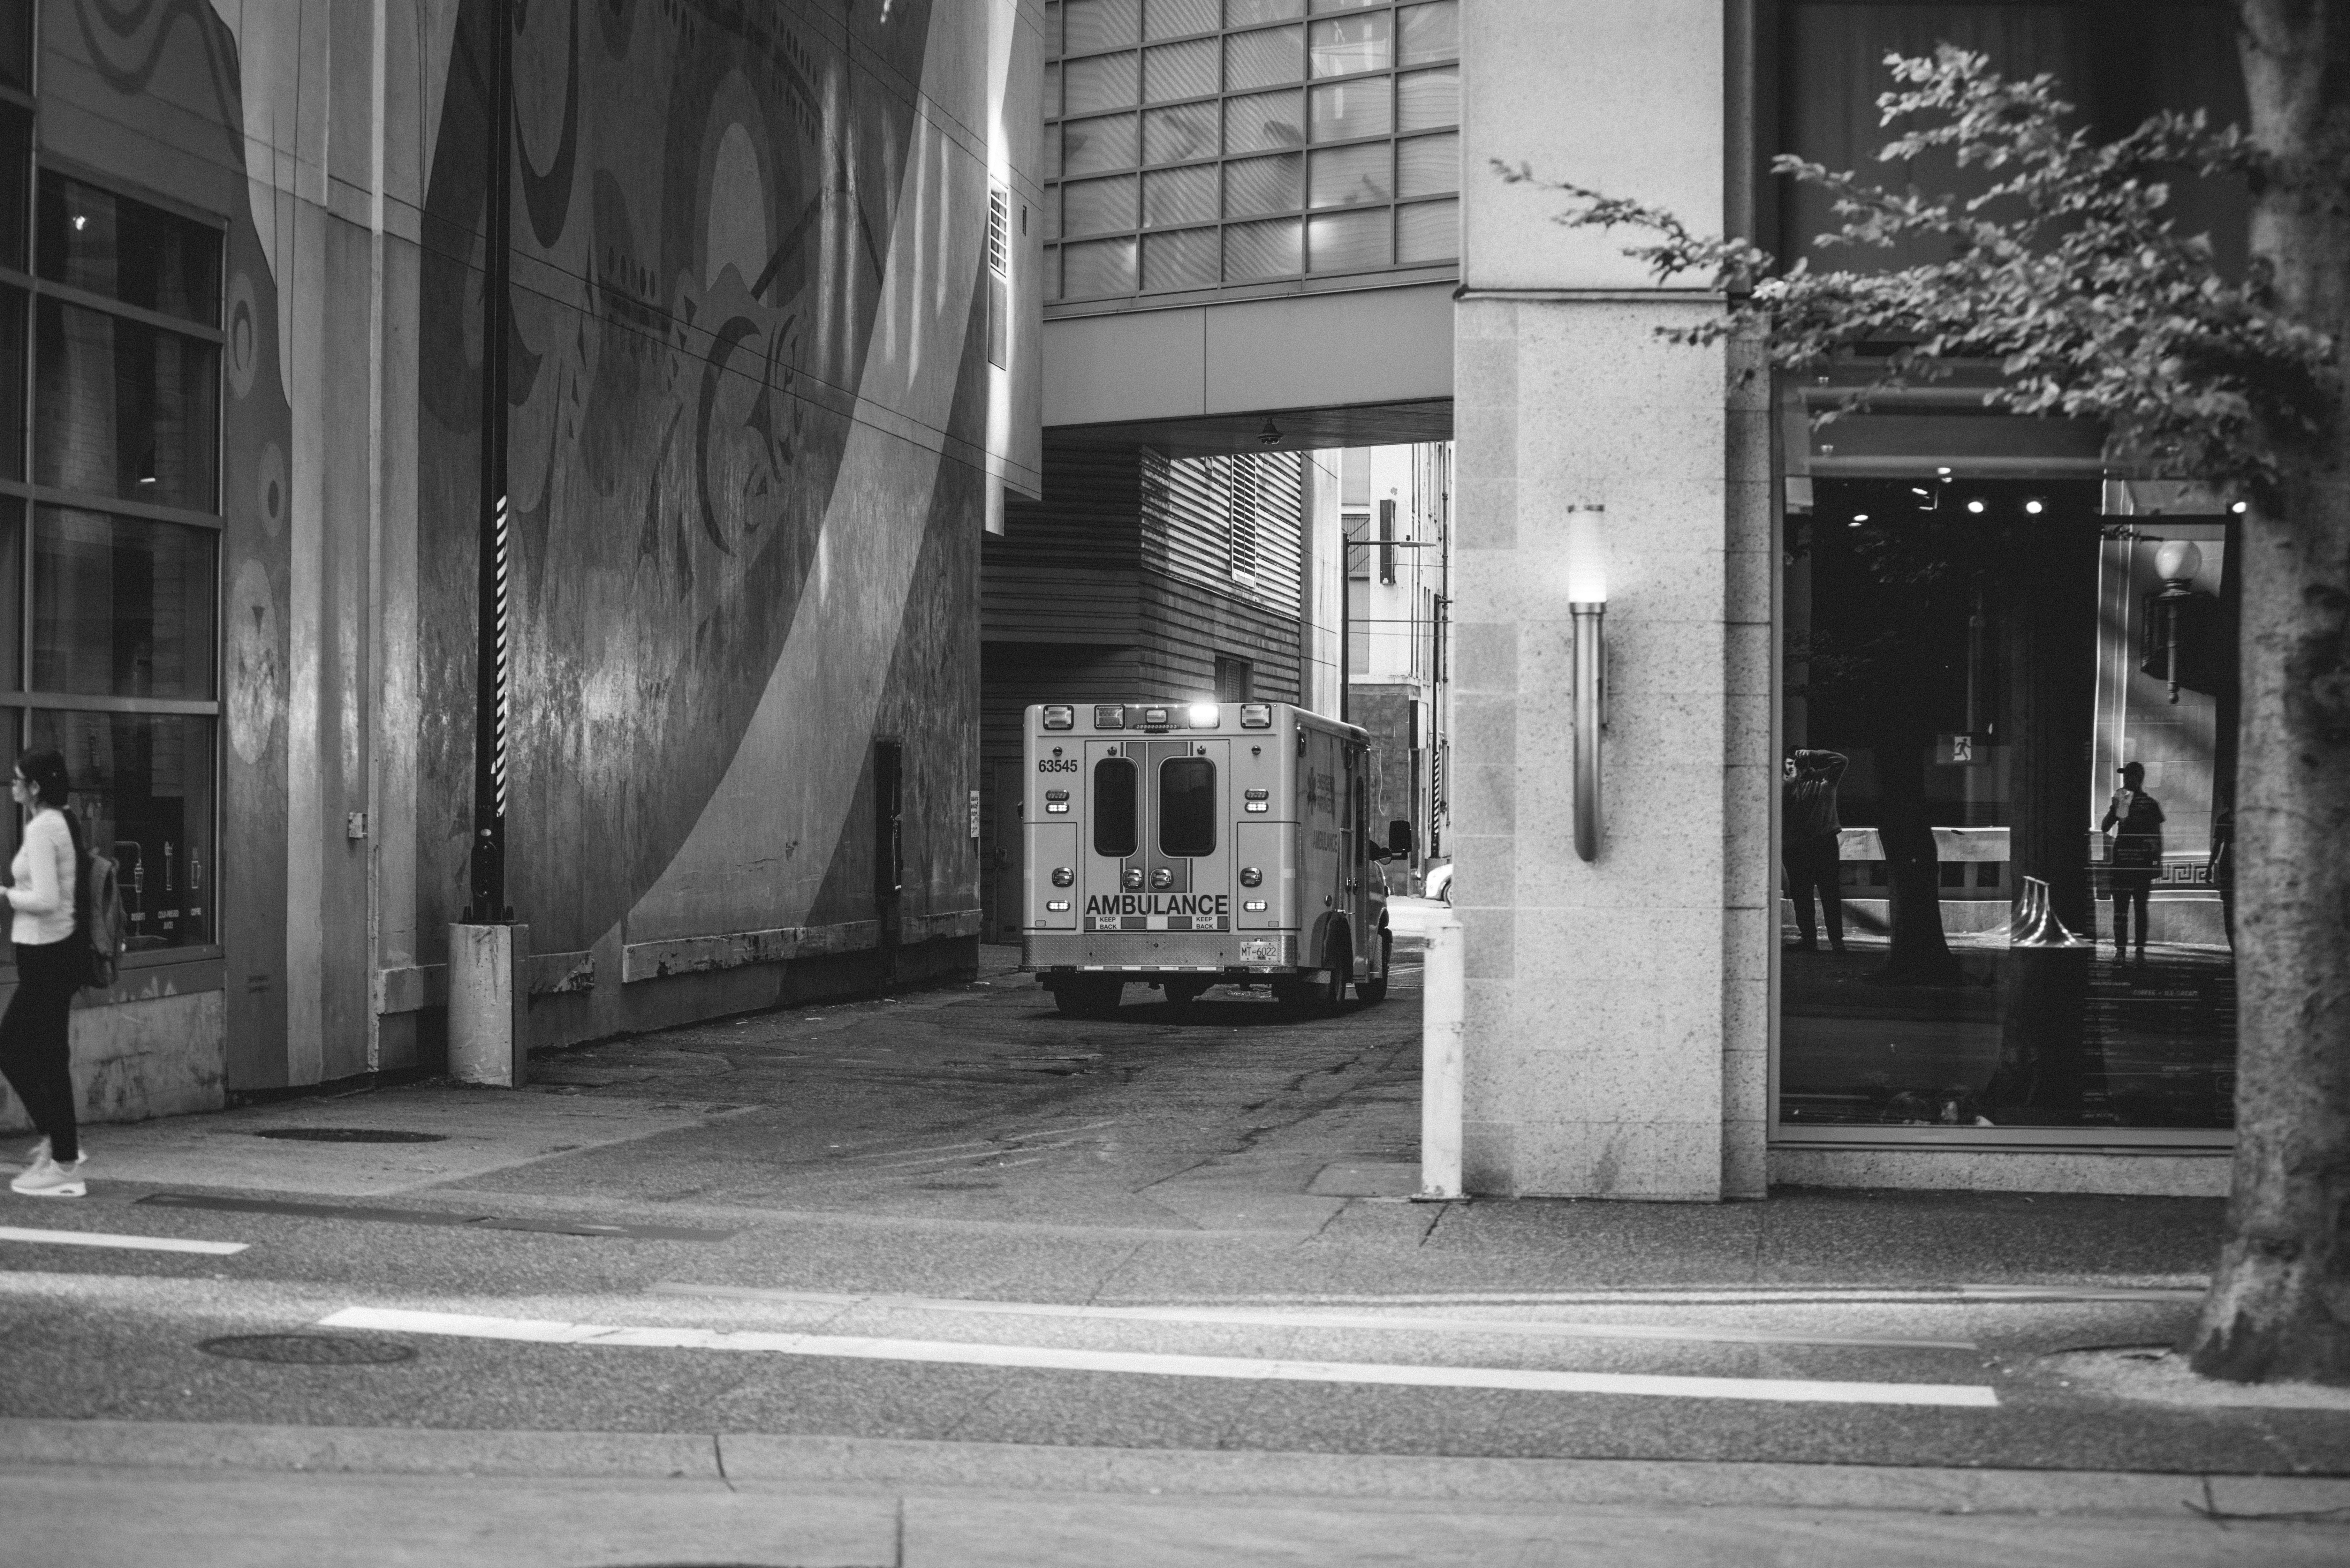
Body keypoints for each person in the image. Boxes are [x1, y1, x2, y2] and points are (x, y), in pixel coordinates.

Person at [2, 750, 85, 1197]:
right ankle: (61, 1147)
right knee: (45, 1054)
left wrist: (7, 894)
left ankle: (65, 1159)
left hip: (46, 955)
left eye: (18, 780)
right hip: (58, 954)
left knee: (17, 1047)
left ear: (35, 787)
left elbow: (47, 899)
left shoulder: (41, 827)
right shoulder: (65, 819)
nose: (12, 786)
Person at [1783, 748, 1849, 952]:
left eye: (1797, 762)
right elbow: (1779, 804)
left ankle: (1837, 941)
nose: (1794, 766)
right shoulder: (1782, 785)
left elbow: (1841, 761)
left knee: (1830, 893)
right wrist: (1794, 778)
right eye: (1790, 763)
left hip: (1824, 844)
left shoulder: (1825, 779)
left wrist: (1813, 754)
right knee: (1801, 896)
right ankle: (1808, 939)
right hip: (1795, 848)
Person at [2100, 761, 2165, 966]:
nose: (2126, 780)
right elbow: (2105, 827)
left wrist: (2157, 863)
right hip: (2122, 865)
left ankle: (2139, 951)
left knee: (2140, 909)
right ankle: (2121, 951)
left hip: (2140, 865)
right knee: (2121, 910)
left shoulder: (2151, 804)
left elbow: (2157, 836)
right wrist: (2116, 807)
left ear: (2138, 779)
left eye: (2129, 776)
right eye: (2125, 776)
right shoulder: (2123, 801)